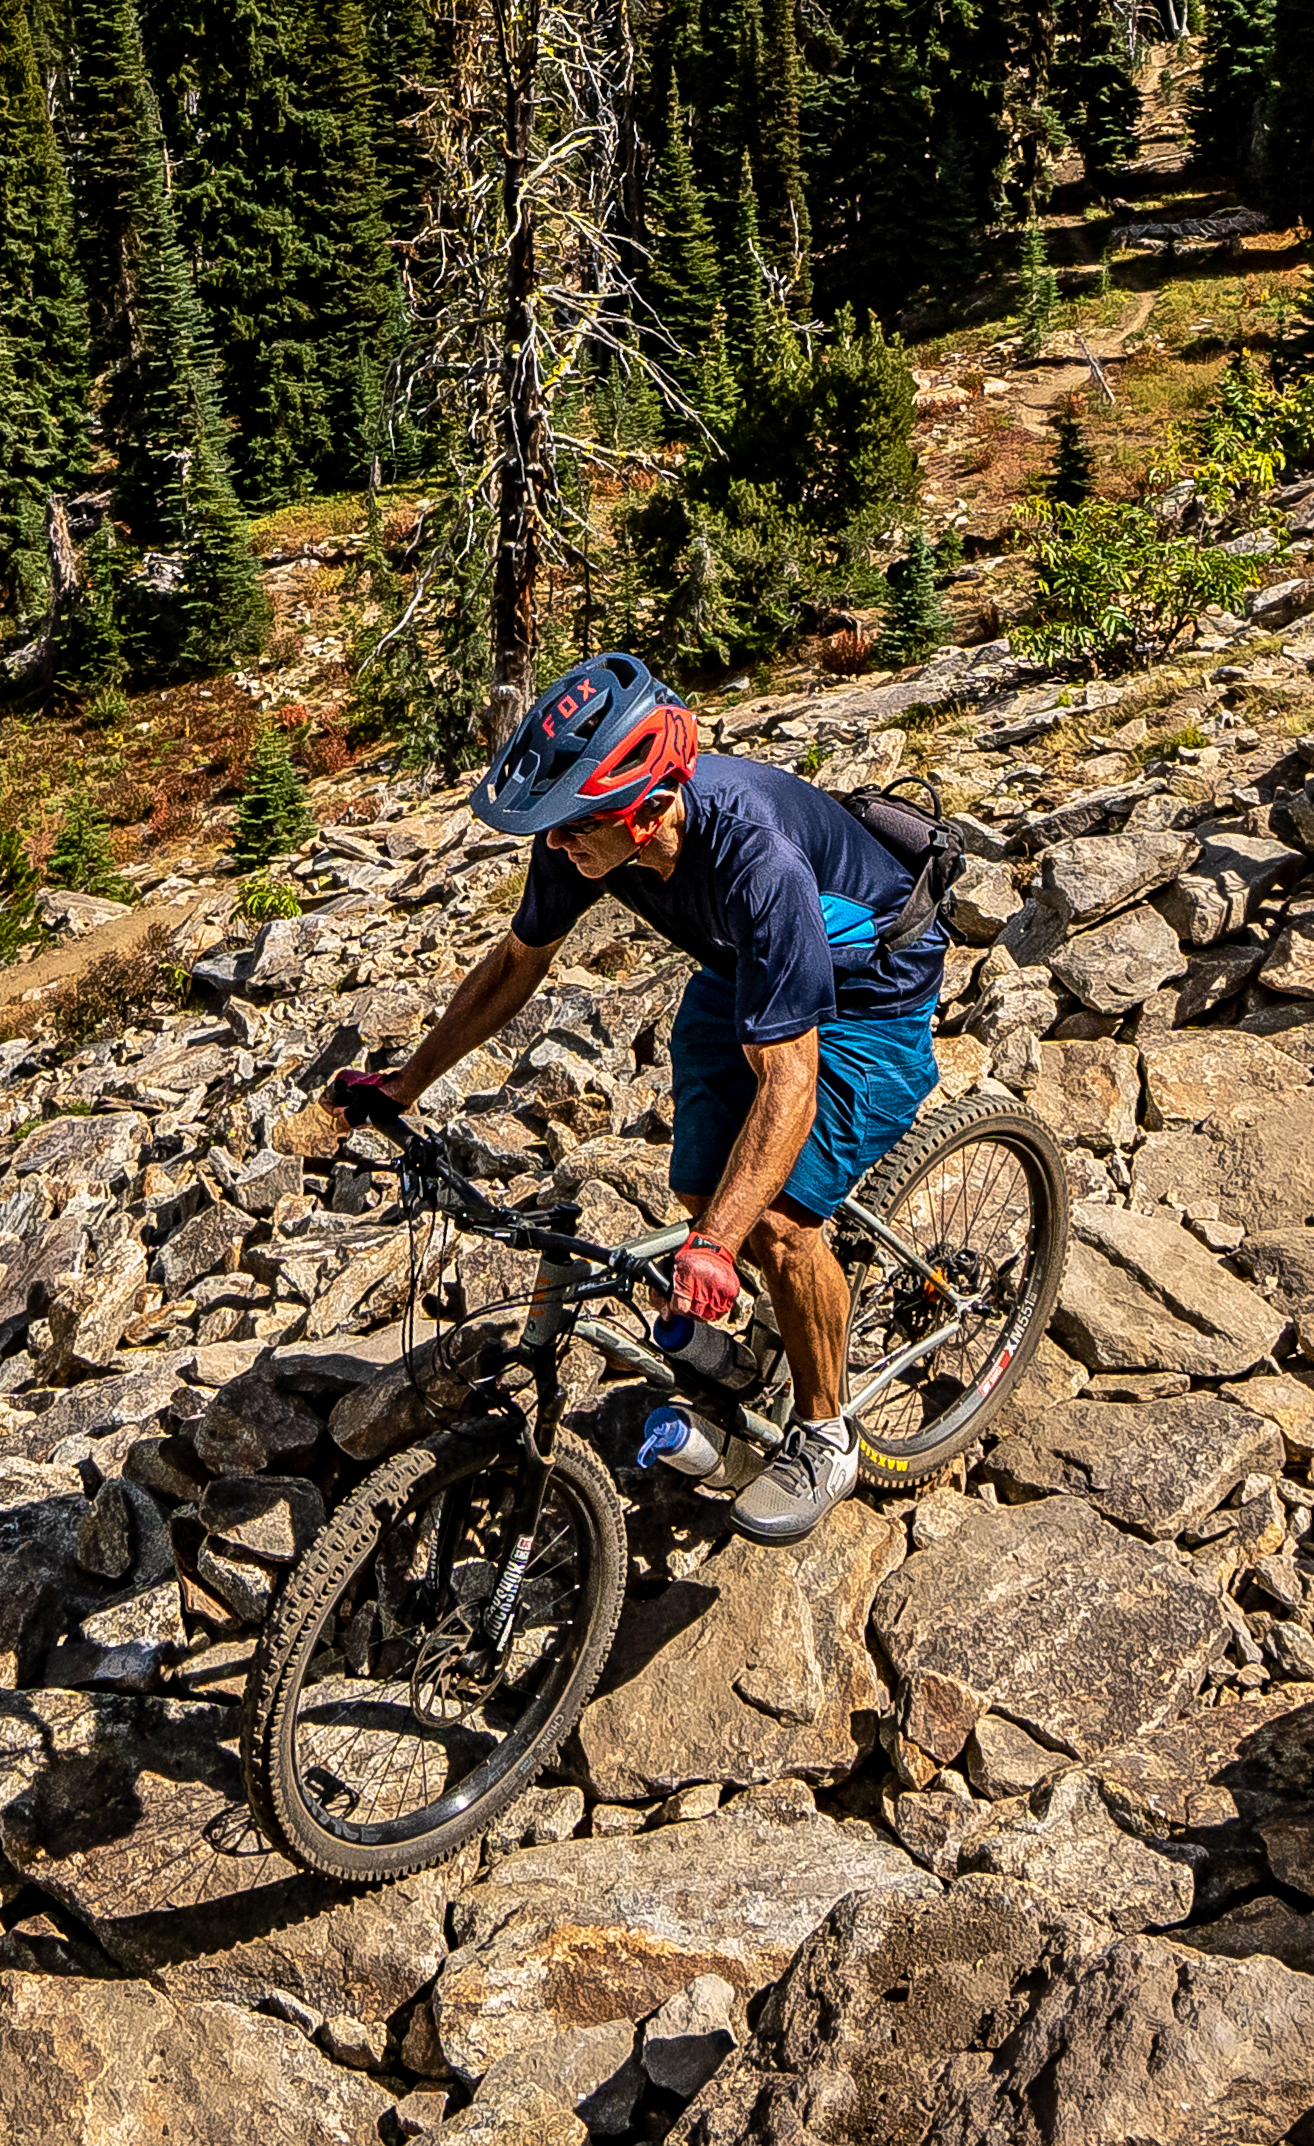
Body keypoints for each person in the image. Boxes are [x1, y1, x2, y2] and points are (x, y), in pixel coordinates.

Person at [311, 653, 945, 1545]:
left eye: (574, 831)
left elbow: (790, 1082)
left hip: (872, 990)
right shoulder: (584, 837)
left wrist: (724, 1246)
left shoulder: (755, 862)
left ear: (647, 813)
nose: (558, 849)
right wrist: (402, 1084)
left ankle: (826, 1433)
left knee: (778, 1226)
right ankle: (762, 1323)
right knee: (703, 1192)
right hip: (746, 971)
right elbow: (514, 966)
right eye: (554, 831)